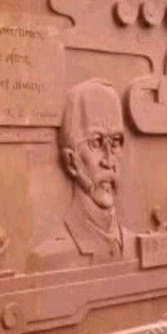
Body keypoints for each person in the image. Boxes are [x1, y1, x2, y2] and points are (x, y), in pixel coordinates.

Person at [29, 78, 138, 272]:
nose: (109, 160)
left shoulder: (136, 246)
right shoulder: (48, 259)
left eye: (115, 142)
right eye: (96, 143)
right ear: (71, 161)